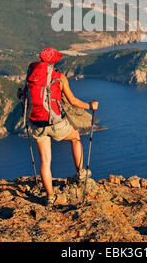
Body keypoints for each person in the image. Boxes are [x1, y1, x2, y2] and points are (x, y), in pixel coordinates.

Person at [20, 47, 98, 207]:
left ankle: (50, 197)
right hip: (55, 123)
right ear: (54, 60)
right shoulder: (59, 77)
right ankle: (81, 173)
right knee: (76, 137)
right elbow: (73, 102)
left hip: (36, 123)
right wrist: (90, 106)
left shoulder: (31, 74)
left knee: (45, 161)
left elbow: (24, 96)